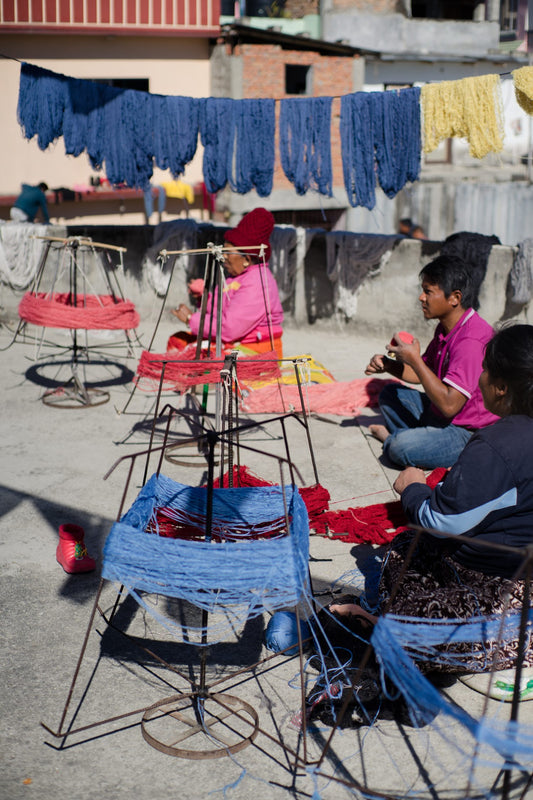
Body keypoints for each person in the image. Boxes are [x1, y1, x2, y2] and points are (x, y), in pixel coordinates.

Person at [332, 324, 533, 672]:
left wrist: (412, 487)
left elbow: (440, 521)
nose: (479, 377)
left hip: (505, 590)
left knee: (406, 552)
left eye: (485, 370)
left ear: (501, 387)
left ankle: (402, 641)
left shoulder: (496, 445)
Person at [365, 254, 498, 469]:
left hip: (466, 431)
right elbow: (421, 374)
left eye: (428, 291)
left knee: (400, 448)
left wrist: (415, 360)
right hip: (443, 414)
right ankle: (420, 440)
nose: (421, 298)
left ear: (454, 298)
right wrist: (389, 365)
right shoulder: (446, 327)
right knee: (389, 394)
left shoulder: (471, 340)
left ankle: (392, 439)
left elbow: (449, 406)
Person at [168, 207, 284, 357]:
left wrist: (192, 319)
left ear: (247, 259)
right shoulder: (235, 277)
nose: (223, 257)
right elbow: (222, 311)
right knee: (178, 341)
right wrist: (205, 299)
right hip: (236, 341)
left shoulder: (258, 283)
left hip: (254, 349)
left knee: (197, 356)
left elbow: (229, 329)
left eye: (228, 252)